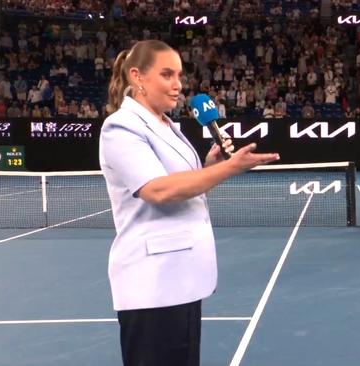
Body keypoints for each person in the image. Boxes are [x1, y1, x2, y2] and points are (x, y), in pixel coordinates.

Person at [99, 40, 279, 366]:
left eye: (179, 75)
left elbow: (186, 189)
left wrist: (210, 166)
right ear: (137, 76)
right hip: (153, 284)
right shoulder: (121, 126)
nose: (177, 85)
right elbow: (158, 190)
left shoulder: (167, 125)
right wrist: (229, 167)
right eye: (167, 74)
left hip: (181, 280)